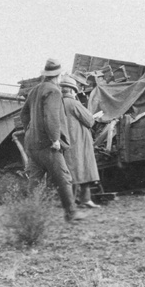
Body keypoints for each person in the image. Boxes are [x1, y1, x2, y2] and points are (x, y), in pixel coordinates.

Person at [20, 58, 88, 222]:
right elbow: (51, 117)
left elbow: (24, 114)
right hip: (48, 145)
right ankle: (71, 213)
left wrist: (30, 130)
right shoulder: (54, 91)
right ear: (57, 76)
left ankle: (30, 216)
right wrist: (55, 139)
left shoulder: (35, 90)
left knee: (35, 181)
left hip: (32, 144)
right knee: (64, 178)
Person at [60, 75, 101, 209]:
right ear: (72, 90)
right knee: (84, 170)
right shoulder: (73, 103)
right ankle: (84, 200)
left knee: (72, 172)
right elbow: (89, 120)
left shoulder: (57, 104)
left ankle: (73, 201)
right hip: (80, 143)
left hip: (66, 143)